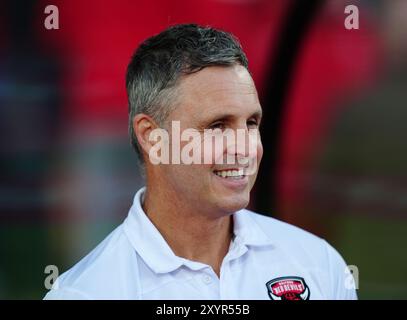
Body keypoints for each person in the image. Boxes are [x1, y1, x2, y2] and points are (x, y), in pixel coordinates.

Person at [44, 24, 357, 300]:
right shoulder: (85, 293)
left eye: (251, 123)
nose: (244, 148)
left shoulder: (320, 264)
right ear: (152, 138)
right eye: (217, 126)